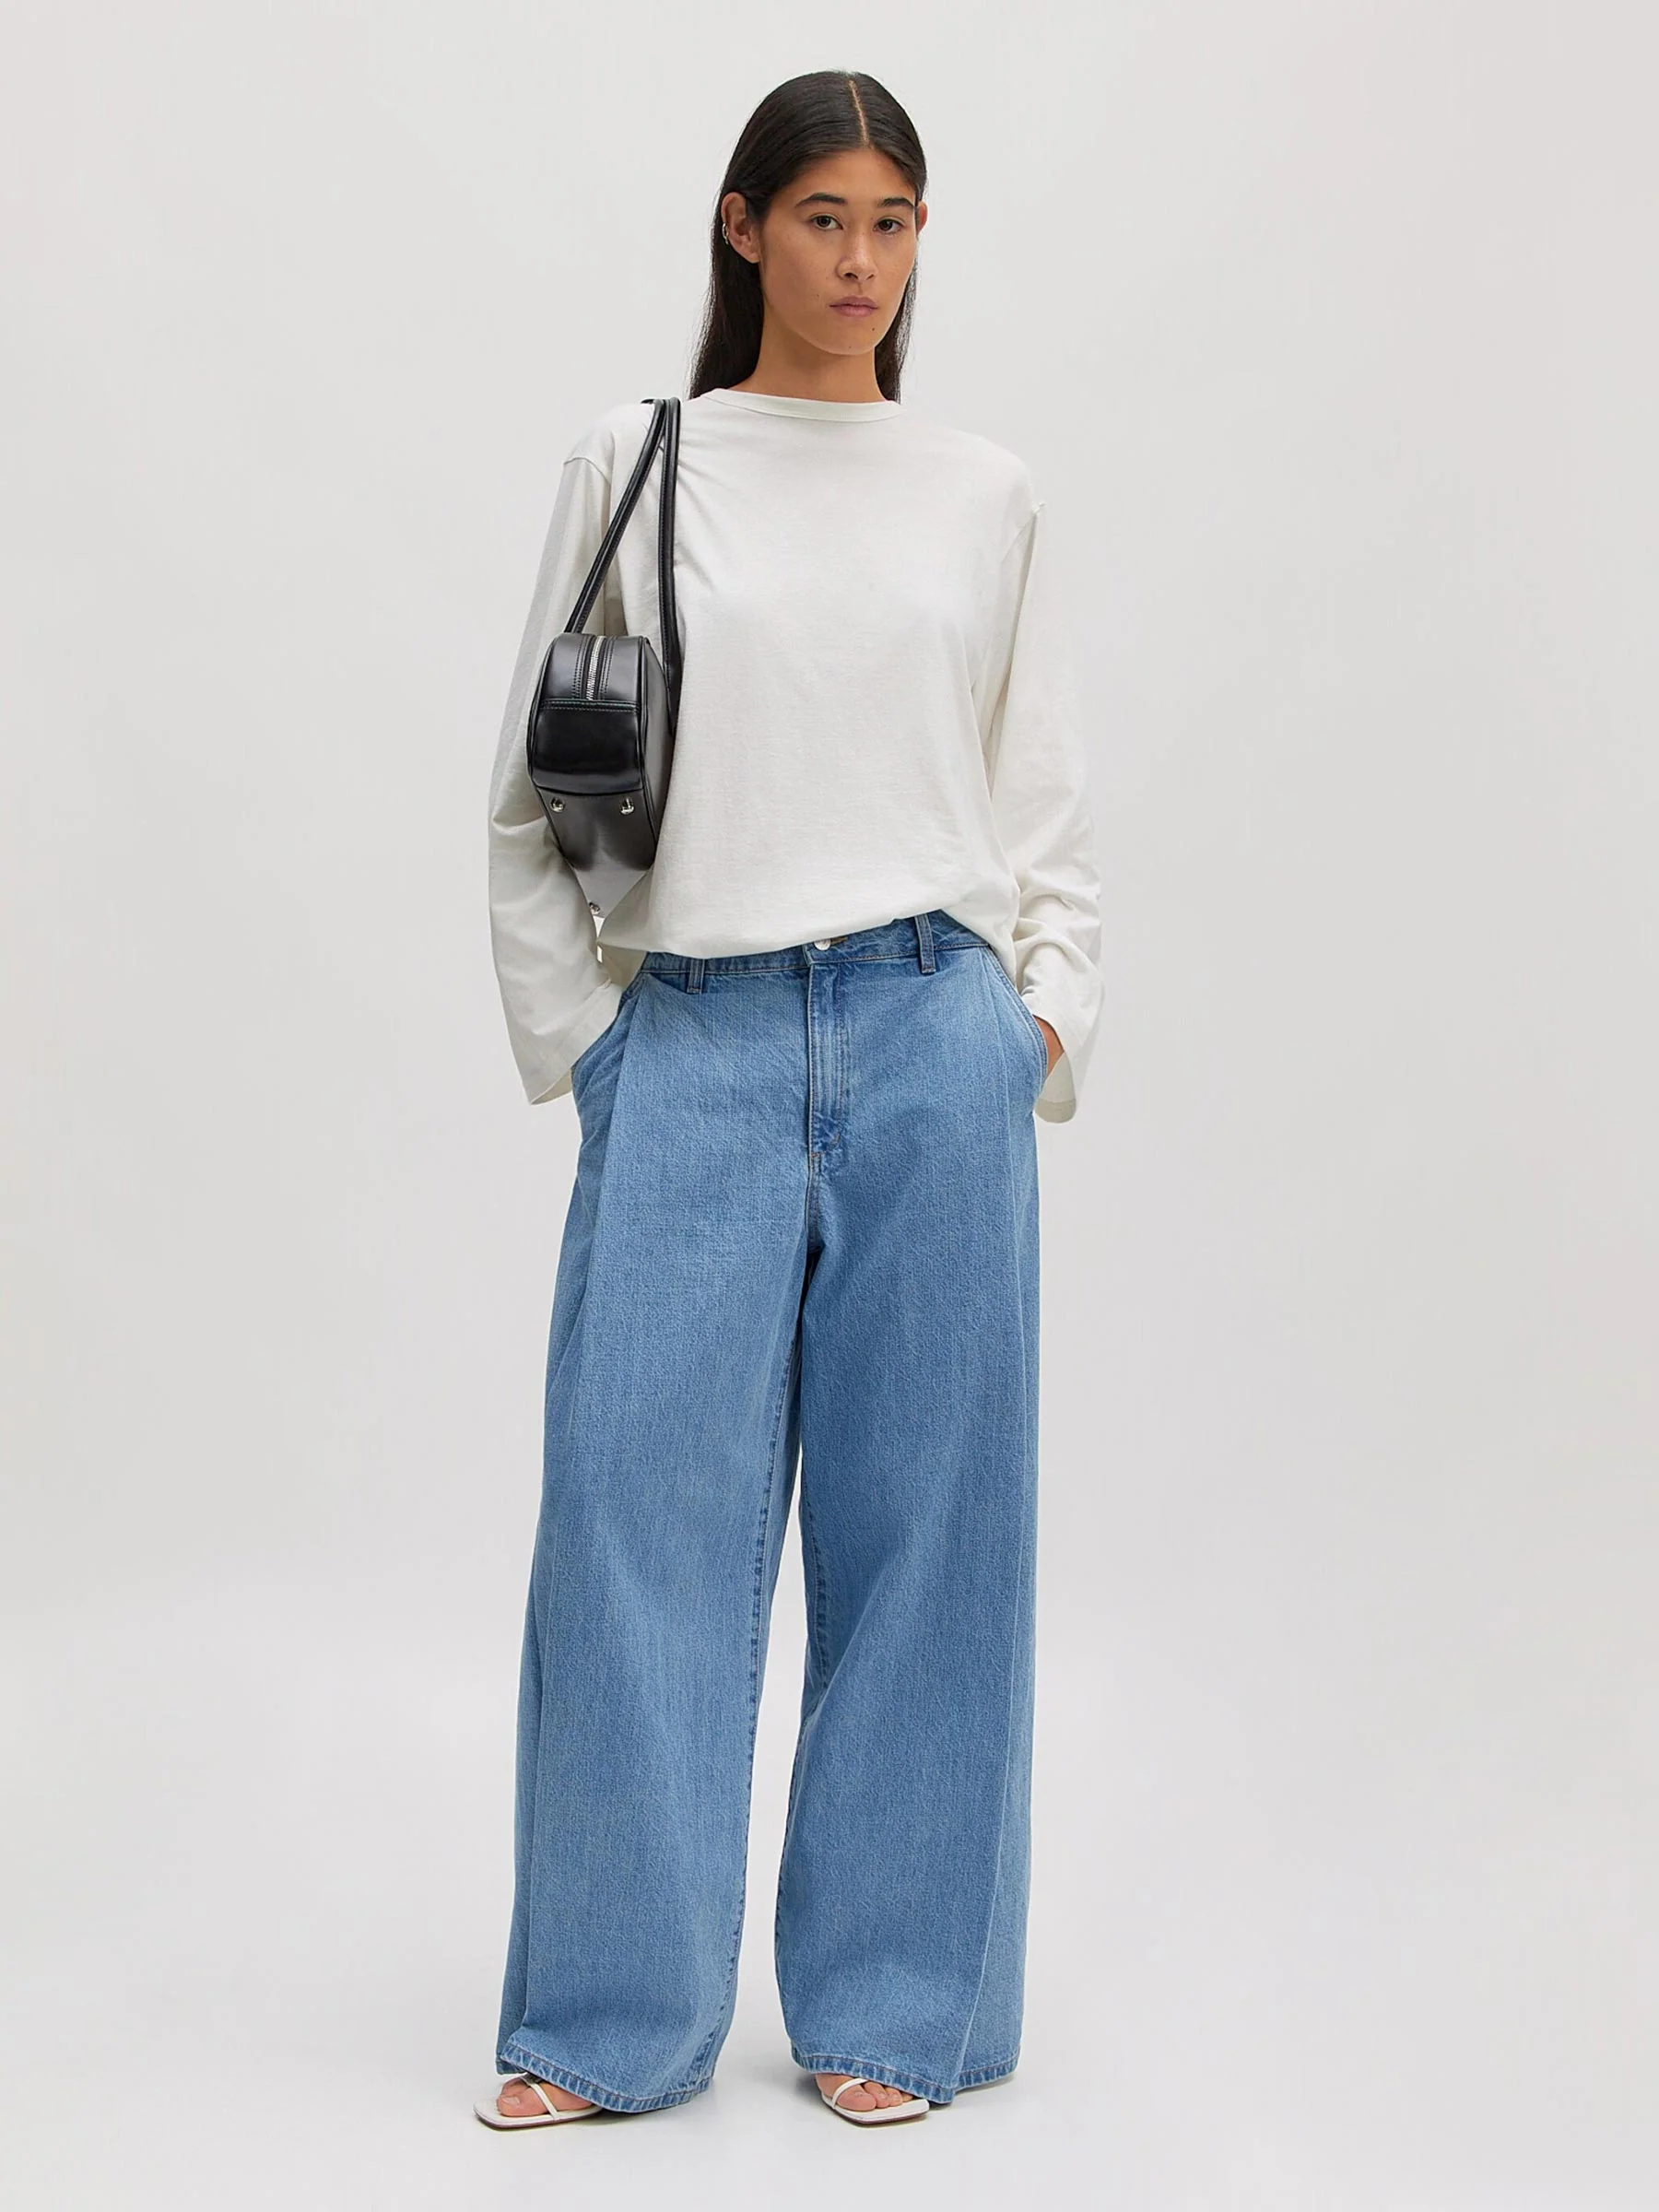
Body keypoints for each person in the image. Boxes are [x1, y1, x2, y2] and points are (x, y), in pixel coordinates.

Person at [476, 67, 1103, 2133]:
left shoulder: (982, 492)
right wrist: (594, 1044)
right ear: (744, 228)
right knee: (629, 1534)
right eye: (823, 217)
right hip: (698, 1041)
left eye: (892, 223)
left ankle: (894, 2006)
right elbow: (526, 803)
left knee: (936, 1537)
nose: (859, 261)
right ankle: (604, 2021)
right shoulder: (643, 459)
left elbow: (1040, 798)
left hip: (934, 1037)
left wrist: (1036, 1023)